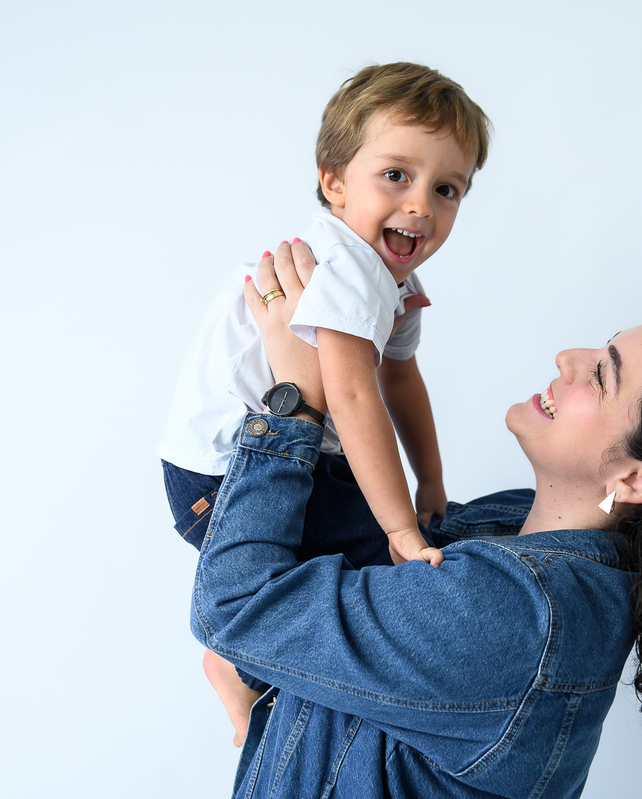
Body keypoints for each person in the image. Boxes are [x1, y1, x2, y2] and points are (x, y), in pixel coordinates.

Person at [189, 242, 642, 796]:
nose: (568, 359)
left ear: (634, 478)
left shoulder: (518, 613)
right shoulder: (523, 532)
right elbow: (333, 594)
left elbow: (235, 602)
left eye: (601, 375)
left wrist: (295, 400)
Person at [158, 63, 491, 742]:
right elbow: (348, 390)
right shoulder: (345, 265)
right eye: (396, 175)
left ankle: (254, 666)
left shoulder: (394, 280)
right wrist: (402, 527)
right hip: (223, 471)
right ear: (334, 181)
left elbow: (401, 380)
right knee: (379, 559)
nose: (421, 204)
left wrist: (431, 482)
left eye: (446, 188)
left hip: (298, 460)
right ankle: (241, 661)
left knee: (372, 567)